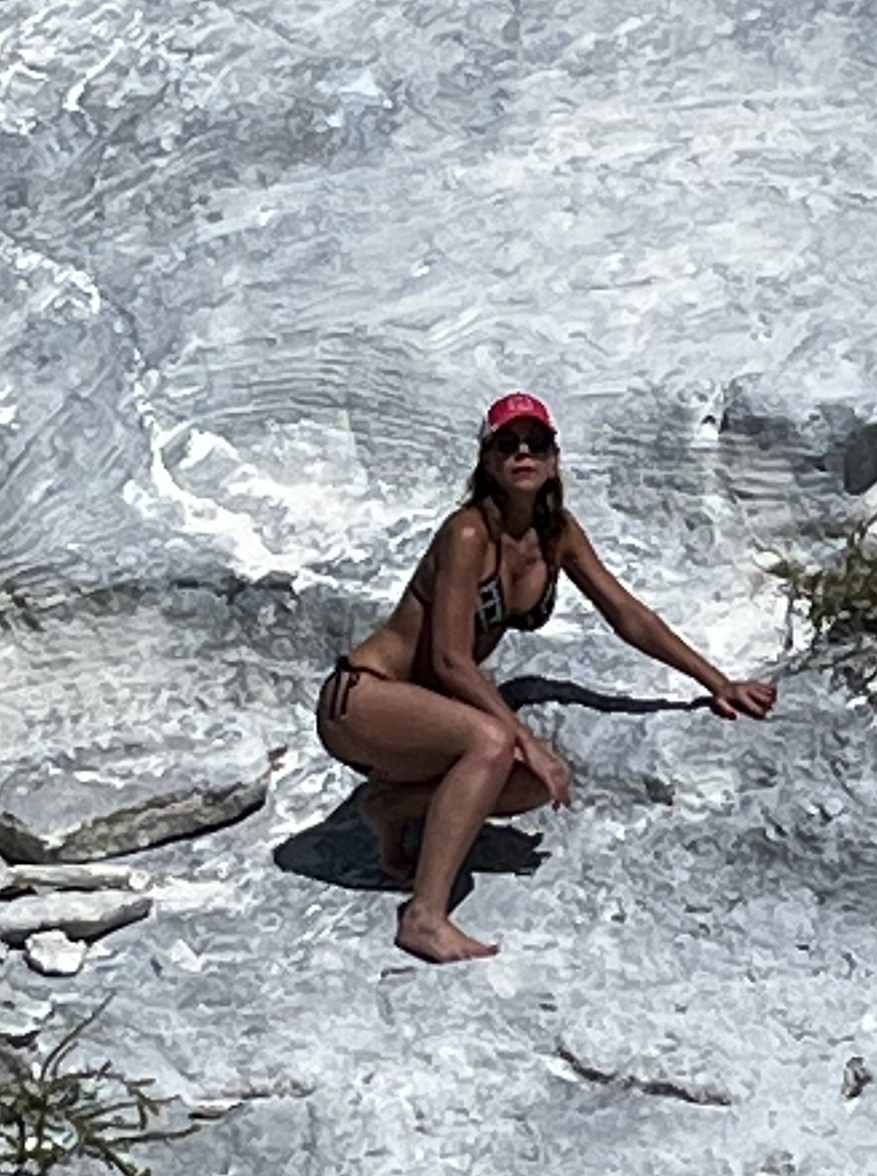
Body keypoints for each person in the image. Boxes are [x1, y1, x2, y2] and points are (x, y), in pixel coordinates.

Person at [315, 392, 778, 965]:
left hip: (418, 710)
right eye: (507, 444)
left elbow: (627, 614)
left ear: (555, 459)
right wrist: (524, 738)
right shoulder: (467, 534)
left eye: (536, 443)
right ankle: (424, 917)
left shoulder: (557, 533)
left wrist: (717, 682)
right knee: (494, 743)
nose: (523, 454)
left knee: (532, 784)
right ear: (487, 461)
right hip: (361, 699)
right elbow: (450, 660)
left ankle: (393, 807)